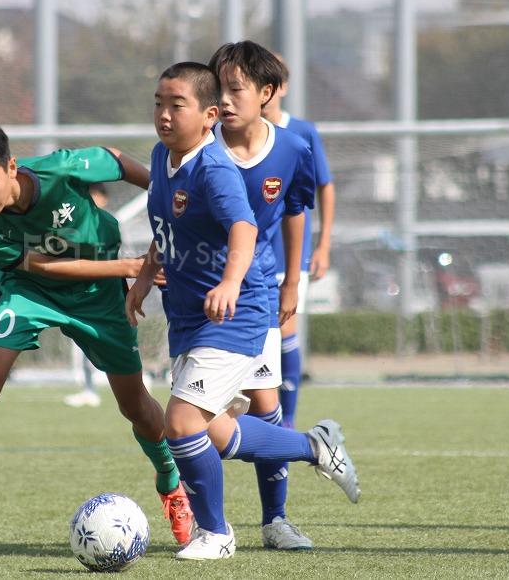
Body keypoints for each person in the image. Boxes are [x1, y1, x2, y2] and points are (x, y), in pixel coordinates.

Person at [0, 119, 194, 549]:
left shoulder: (61, 170)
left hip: (98, 295)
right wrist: (128, 267)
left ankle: (172, 485)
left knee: (134, 403)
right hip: (31, 292)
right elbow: (42, 268)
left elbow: (117, 161)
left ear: (11, 166)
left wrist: (163, 194)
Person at [126, 62, 359, 561]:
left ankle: (216, 534)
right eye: (158, 104)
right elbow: (168, 229)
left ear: (210, 115)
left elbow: (245, 229)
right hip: (189, 318)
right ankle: (315, 446)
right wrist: (145, 277)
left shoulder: (214, 168)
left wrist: (231, 282)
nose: (164, 115)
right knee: (216, 430)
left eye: (177, 105)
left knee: (182, 422)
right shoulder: (162, 157)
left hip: (237, 314)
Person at [207, 40, 322, 550]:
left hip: (256, 290)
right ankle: (204, 520)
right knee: (193, 413)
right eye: (219, 90)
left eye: (236, 89)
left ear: (267, 93)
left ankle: (274, 520)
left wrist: (292, 282)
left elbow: (296, 211)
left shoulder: (294, 148)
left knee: (265, 405)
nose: (226, 101)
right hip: (200, 293)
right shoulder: (201, 145)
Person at [261, 58, 334, 428]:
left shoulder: (301, 132)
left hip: (288, 255)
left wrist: (322, 246)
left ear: (279, 89)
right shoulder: (235, 135)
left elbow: (324, 185)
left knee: (285, 328)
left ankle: (286, 419)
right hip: (247, 254)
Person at [63, 182, 109, 408]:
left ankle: (141, 380)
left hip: (108, 298)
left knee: (115, 348)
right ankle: (89, 390)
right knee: (84, 347)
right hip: (85, 298)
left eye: (93, 197)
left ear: (103, 198)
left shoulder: (108, 225)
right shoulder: (78, 227)